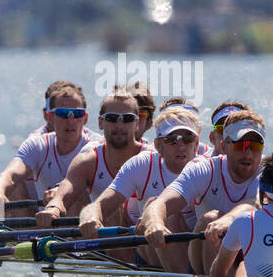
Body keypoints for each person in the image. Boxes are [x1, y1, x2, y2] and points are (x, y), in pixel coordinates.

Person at [141, 108, 266, 274]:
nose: (248, 153)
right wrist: (153, 223)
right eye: (240, 144)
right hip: (208, 249)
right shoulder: (204, 169)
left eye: (255, 146)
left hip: (250, 254)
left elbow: (256, 203)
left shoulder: (268, 170)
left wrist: (228, 219)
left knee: (217, 221)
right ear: (223, 146)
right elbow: (161, 203)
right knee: (209, 219)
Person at [77, 106, 203, 264]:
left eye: (188, 138)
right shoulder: (142, 163)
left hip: (194, 255)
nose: (181, 146)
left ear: (197, 143)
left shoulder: (204, 167)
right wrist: (91, 217)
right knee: (120, 210)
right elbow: (99, 205)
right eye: (171, 139)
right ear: (158, 145)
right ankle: (127, 270)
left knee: (166, 212)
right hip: (150, 251)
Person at [36, 89, 143, 226]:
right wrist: (53, 208)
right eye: (112, 118)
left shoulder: (151, 157)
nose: (119, 125)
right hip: (111, 237)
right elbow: (65, 193)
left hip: (151, 241)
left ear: (137, 124)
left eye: (127, 119)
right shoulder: (87, 161)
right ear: (100, 122)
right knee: (106, 207)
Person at [0, 83, 92, 217]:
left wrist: (60, 193)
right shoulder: (36, 143)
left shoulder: (94, 146)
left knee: (73, 196)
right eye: (63, 114)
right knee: (13, 187)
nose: (71, 121)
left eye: (77, 114)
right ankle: (25, 234)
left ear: (85, 118)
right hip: (47, 214)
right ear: (49, 117)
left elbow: (77, 183)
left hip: (88, 218)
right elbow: (10, 174)